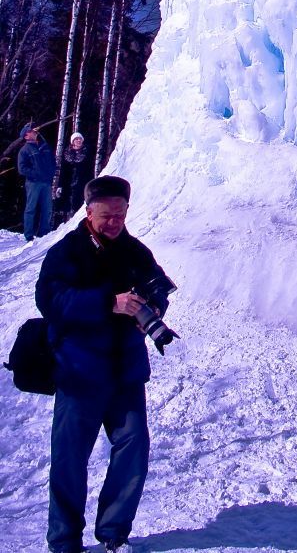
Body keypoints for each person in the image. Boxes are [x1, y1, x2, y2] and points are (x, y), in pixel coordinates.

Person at [35, 175, 172, 553]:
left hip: (125, 370)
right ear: (89, 211)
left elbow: (158, 284)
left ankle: (114, 535)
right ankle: (64, 543)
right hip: (79, 371)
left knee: (134, 447)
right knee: (69, 460)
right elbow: (51, 301)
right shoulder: (67, 252)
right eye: (107, 216)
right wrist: (108, 303)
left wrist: (154, 305)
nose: (114, 222)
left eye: (121, 215)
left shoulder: (134, 250)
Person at [18, 122, 56, 240]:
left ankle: (44, 233)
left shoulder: (44, 146)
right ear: (26, 136)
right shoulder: (24, 150)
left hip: (47, 183)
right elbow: (22, 168)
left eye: (34, 130)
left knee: (48, 209)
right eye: (31, 131)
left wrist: (51, 174)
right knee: (31, 209)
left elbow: (52, 162)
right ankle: (29, 235)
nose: (34, 132)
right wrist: (36, 174)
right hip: (33, 183)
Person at [55, 132, 91, 222]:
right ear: (73, 142)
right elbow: (63, 170)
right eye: (76, 139)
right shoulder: (67, 153)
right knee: (65, 205)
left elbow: (89, 170)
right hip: (67, 182)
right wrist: (60, 185)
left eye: (80, 139)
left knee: (78, 204)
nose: (79, 141)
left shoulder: (86, 153)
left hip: (82, 182)